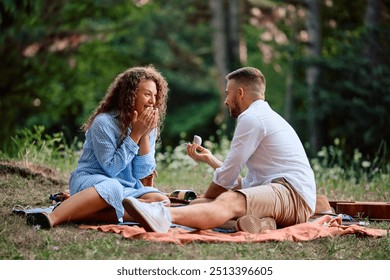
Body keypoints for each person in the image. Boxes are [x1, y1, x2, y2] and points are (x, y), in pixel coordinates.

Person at [122, 66, 317, 233]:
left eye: (227, 94)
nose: (226, 101)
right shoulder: (264, 116)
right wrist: (210, 159)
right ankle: (265, 224)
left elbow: (227, 177)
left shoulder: (252, 118)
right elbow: (242, 181)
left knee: (229, 201)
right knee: (200, 204)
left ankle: (162, 215)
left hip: (292, 195)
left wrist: (209, 197)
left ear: (239, 93)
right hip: (283, 196)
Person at [27, 65, 170, 229]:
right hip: (91, 183)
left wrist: (144, 134)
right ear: (130, 96)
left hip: (126, 188)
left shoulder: (148, 128)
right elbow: (111, 169)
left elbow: (143, 174)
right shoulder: (103, 122)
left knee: (162, 202)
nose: (153, 101)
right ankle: (52, 218)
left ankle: (80, 213)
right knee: (113, 187)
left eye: (155, 95)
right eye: (147, 94)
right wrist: (135, 135)